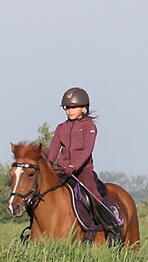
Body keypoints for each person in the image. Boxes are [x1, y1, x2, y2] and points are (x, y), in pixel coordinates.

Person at [45, 87, 120, 241]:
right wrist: (48, 165)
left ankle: (111, 227)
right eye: (67, 108)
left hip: (82, 171)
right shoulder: (61, 128)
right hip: (62, 170)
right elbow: (53, 149)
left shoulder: (89, 127)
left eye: (73, 107)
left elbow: (87, 150)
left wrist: (74, 167)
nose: (69, 111)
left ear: (84, 108)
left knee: (94, 195)